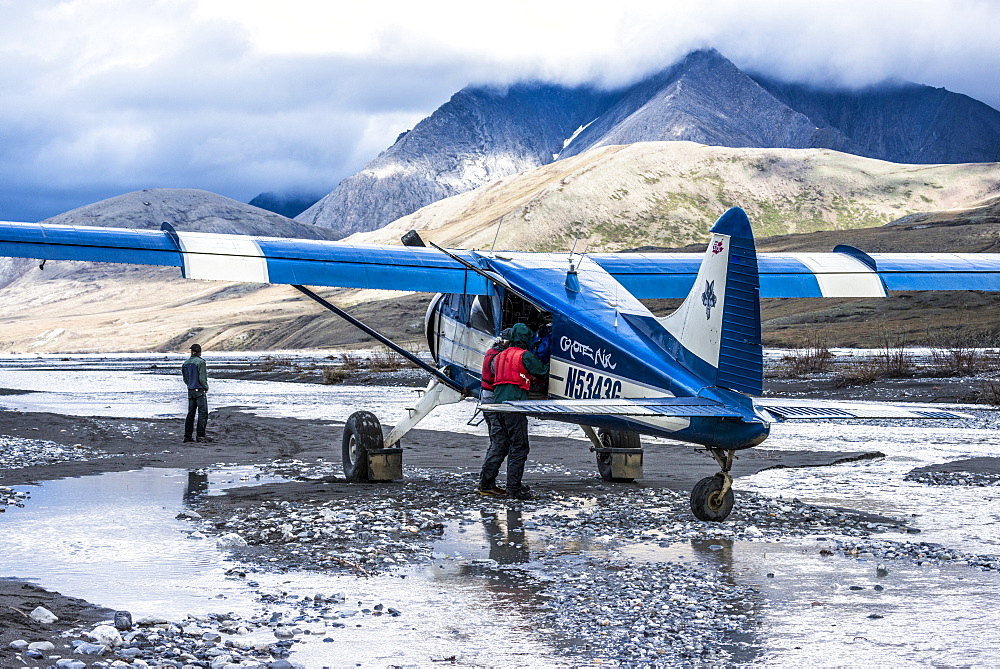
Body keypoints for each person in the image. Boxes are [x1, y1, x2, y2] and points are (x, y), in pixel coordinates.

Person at [479, 323, 549, 500]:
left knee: (504, 444)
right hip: (514, 406)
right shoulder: (524, 355)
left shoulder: (500, 355)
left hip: (498, 405)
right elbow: (541, 370)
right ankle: (513, 489)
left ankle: (490, 484)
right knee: (520, 447)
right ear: (525, 338)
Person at [477, 330, 510, 497]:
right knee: (499, 444)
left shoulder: (491, 352)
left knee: (498, 443)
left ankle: (487, 482)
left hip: (487, 401)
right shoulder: (498, 357)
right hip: (492, 404)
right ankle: (486, 484)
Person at [181, 344, 211, 443]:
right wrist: (206, 387)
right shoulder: (201, 362)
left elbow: (185, 379)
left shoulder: (185, 363)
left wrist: (190, 385)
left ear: (191, 351)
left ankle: (187, 436)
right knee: (203, 413)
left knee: (190, 413)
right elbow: (202, 378)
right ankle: (200, 435)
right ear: (199, 352)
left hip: (190, 390)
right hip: (199, 390)